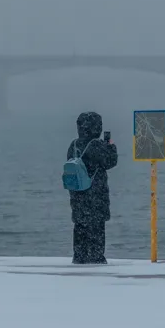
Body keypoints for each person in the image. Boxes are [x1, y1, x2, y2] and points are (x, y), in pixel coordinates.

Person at [66, 111, 118, 264]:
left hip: (77, 194)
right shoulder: (96, 145)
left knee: (80, 226)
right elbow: (110, 162)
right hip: (95, 193)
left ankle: (79, 256)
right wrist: (110, 146)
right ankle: (96, 257)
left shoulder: (74, 145)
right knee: (97, 227)